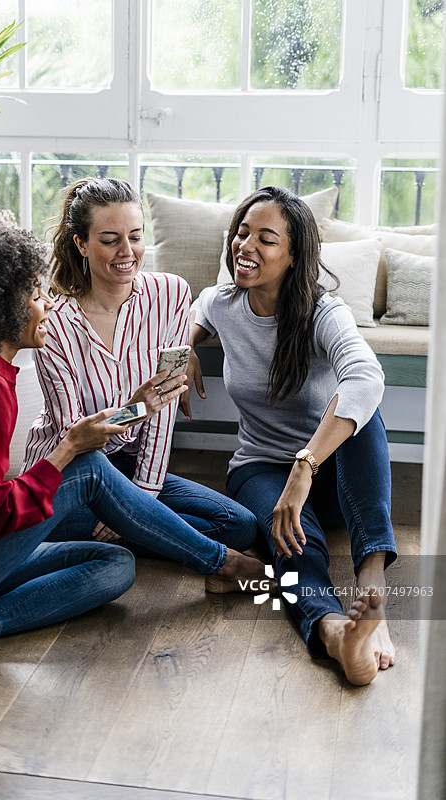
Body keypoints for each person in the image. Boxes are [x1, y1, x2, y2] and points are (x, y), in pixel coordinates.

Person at [0, 226, 267, 682]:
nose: (46, 304)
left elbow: (123, 420)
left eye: (136, 236)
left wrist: (137, 415)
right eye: (35, 296)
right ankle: (224, 564)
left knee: (117, 564)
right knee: (88, 469)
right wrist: (68, 451)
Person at [185, 186, 398, 686]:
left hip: (329, 476)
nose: (246, 246)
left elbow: (366, 377)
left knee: (365, 413)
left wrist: (305, 465)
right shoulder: (223, 303)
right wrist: (186, 345)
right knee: (296, 546)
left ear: (295, 255)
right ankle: (335, 632)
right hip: (259, 469)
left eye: (266, 239)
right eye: (242, 233)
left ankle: (373, 586)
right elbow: (196, 311)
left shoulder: (324, 312)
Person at [22, 177, 258, 553]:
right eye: (110, 240)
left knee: (239, 527)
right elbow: (75, 436)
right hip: (71, 473)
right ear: (81, 244)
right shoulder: (56, 323)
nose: (126, 251)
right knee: (47, 522)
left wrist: (141, 496)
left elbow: (164, 406)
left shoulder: (172, 294)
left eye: (135, 236)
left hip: (131, 466)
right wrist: (135, 410)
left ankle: (136, 534)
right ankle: (151, 538)